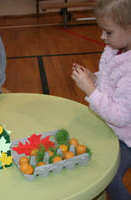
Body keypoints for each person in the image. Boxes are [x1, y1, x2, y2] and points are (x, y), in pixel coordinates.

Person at [71, 0, 131, 199]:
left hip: (126, 139)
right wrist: (94, 77)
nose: (102, 36)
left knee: (110, 178)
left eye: (108, 32)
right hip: (109, 127)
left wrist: (90, 89)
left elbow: (120, 116)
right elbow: (111, 78)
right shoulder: (116, 48)